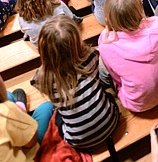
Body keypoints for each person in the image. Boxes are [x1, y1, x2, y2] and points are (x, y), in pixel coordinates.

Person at [32, 16, 120, 151]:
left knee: (56, 115)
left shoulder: (42, 79)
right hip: (111, 122)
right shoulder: (91, 57)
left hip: (78, 141)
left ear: (44, 50)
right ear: (77, 41)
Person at [98, 0, 158, 112]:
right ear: (138, 10)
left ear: (108, 20)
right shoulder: (157, 26)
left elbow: (116, 77)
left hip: (136, 104)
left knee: (104, 68)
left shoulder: (106, 43)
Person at [16, 0, 80, 44]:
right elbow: (72, 20)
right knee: (71, 11)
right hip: (64, 41)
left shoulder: (21, 16)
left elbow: (23, 30)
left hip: (41, 47)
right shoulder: (58, 5)